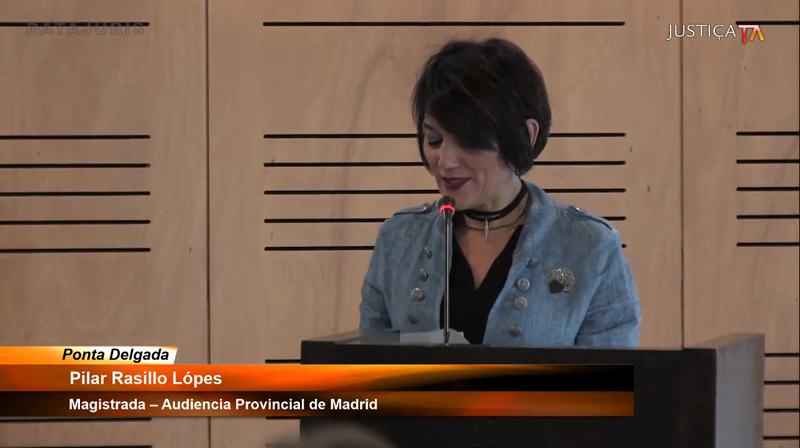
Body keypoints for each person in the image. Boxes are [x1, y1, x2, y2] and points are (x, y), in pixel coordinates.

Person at [359, 38, 641, 347]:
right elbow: (366, 367)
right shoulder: (399, 239)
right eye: (434, 140)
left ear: (526, 136)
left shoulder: (589, 247)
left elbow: (613, 374)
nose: (445, 161)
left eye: (467, 141)